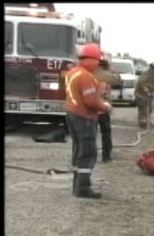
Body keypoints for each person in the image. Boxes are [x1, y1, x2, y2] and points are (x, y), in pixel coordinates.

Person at [64, 43, 112, 199]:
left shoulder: (73, 73)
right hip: (84, 117)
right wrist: (105, 107)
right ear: (89, 60)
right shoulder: (86, 76)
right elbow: (91, 101)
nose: (99, 63)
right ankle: (83, 188)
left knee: (78, 150)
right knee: (88, 152)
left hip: (72, 114)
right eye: (98, 60)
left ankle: (77, 185)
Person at [94, 56, 122, 162]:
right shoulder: (106, 77)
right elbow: (118, 82)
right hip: (102, 109)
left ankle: (89, 155)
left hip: (92, 110)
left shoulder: (91, 74)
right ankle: (106, 156)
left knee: (91, 135)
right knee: (106, 134)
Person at [134, 63, 154, 129]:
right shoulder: (146, 75)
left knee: (149, 109)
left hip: (147, 96)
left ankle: (147, 122)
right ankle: (142, 123)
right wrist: (147, 91)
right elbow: (143, 84)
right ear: (153, 69)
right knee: (143, 110)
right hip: (141, 95)